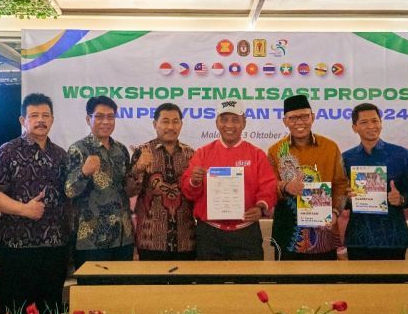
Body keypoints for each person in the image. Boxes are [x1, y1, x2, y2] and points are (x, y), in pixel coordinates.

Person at [0, 93, 68, 313]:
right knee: (16, 313)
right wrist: (24, 209)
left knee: (51, 313)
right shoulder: (8, 151)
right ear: (23, 120)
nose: (41, 120)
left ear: (52, 119)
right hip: (18, 247)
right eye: (34, 115)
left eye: (45, 115)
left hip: (55, 248)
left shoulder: (61, 155)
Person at [181, 99, 277, 260]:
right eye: (224, 120)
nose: (229, 125)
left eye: (235, 120)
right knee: (211, 277)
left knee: (250, 277)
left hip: (246, 233)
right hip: (209, 234)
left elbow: (268, 186)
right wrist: (194, 181)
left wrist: (260, 207)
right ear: (217, 123)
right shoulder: (202, 153)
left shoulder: (257, 154)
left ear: (244, 123)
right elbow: (189, 192)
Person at [267, 95, 348, 260]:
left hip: (324, 233)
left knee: (325, 278)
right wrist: (285, 187)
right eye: (292, 118)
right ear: (285, 121)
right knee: (287, 277)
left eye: (304, 116)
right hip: (288, 235)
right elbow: (268, 187)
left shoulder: (330, 147)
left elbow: (341, 184)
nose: (299, 122)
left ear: (313, 117)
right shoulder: (275, 151)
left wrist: (334, 212)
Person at [66, 96, 134, 267]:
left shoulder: (121, 150)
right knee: (93, 284)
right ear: (88, 119)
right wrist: (84, 172)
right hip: (91, 239)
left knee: (122, 283)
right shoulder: (78, 149)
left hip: (123, 237)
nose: (106, 122)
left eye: (110, 117)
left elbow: (126, 189)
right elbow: (69, 191)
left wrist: (138, 172)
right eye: (99, 116)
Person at [342, 103, 408, 260]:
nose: (371, 126)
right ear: (354, 128)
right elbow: (341, 200)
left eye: (375, 121)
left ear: (381, 123)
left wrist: (401, 199)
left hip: (392, 238)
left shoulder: (401, 154)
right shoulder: (346, 158)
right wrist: (347, 198)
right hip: (359, 239)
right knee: (358, 278)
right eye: (364, 122)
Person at [127, 103, 196, 261]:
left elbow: (196, 194)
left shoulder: (191, 154)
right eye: (165, 121)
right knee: (152, 279)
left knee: (186, 279)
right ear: (155, 124)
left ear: (181, 124)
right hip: (151, 240)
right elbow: (129, 191)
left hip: (186, 239)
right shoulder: (142, 152)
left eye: (175, 121)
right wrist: (138, 169)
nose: (170, 127)